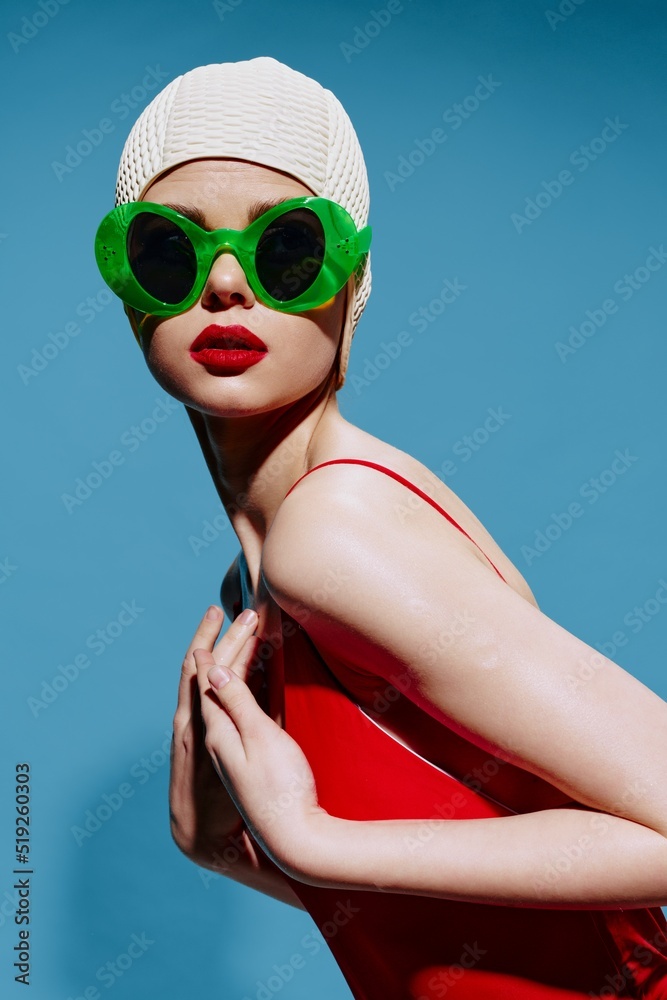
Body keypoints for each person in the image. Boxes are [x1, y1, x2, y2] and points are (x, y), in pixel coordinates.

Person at [96, 57, 667, 999]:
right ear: (130, 299)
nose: (227, 287)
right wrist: (230, 852)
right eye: (169, 251)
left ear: (351, 282)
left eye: (285, 250)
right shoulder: (265, 577)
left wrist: (314, 836)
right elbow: (444, 921)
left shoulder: (331, 534)